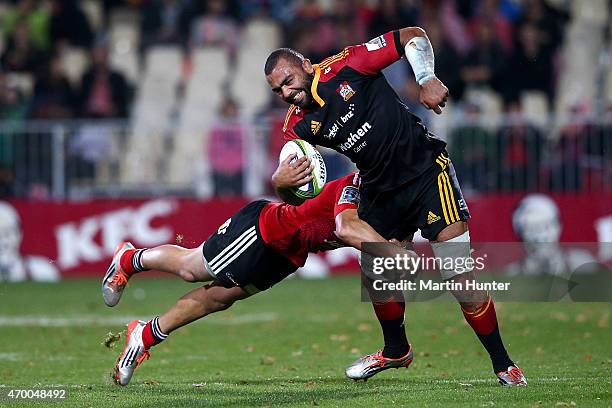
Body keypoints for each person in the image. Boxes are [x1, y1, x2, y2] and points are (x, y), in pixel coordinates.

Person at [264, 26, 526, 385]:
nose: (285, 92)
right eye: (277, 90)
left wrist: (426, 77)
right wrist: (281, 185)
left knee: (458, 274)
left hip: (426, 174)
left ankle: (503, 364)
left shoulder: (349, 65)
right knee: (379, 275)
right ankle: (395, 351)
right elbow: (298, 194)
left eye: (288, 80)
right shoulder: (296, 128)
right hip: (380, 189)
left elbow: (412, 35)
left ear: (307, 65)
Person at [102, 172, 416, 386]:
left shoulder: (398, 209)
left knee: (219, 298)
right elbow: (348, 227)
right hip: (265, 232)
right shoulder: (357, 185)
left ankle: (144, 336)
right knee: (191, 268)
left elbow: (387, 263)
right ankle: (129, 258)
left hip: (291, 254)